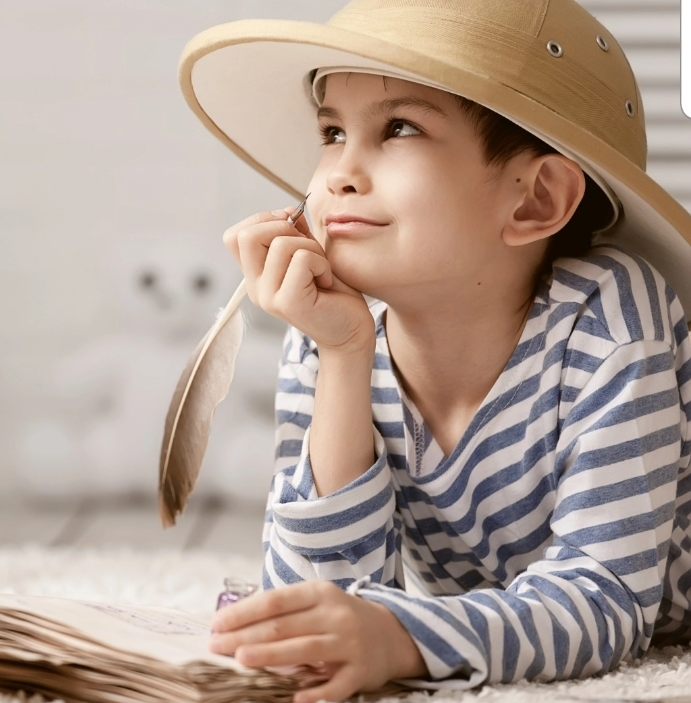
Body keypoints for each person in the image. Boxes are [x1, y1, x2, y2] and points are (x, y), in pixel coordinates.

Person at [175, 1, 691, 701]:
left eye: (399, 127)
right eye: (331, 131)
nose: (336, 175)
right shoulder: (329, 332)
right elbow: (317, 604)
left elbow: (606, 603)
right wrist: (345, 353)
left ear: (535, 201)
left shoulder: (613, 317)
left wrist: (401, 637)